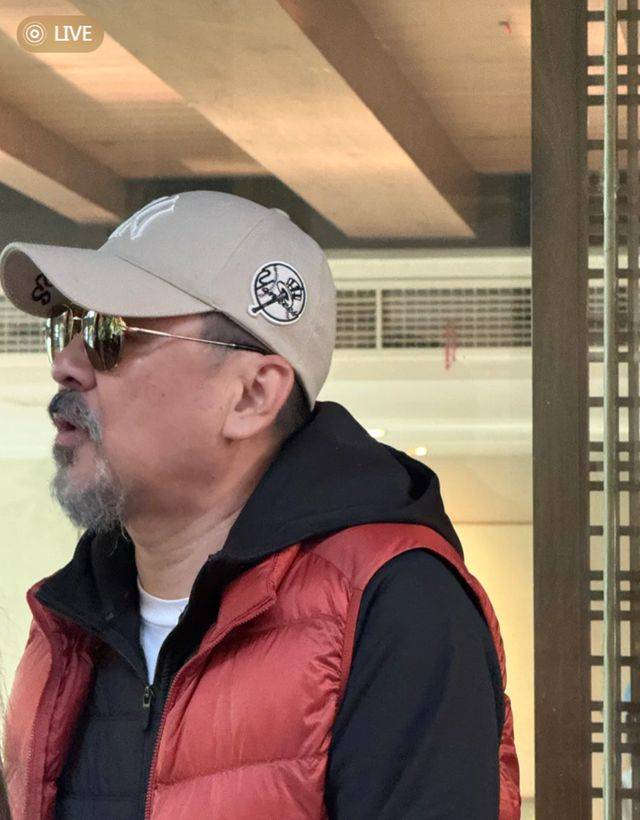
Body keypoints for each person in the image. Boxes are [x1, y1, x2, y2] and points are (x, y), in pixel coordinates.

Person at [0, 191, 520, 819]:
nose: (65, 365)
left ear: (251, 396)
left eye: (109, 335)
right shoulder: (67, 623)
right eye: (68, 329)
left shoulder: (395, 605)